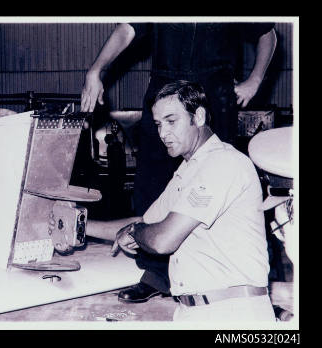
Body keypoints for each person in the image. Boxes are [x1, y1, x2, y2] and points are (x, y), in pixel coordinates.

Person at [80, 22, 277, 303]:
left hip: (213, 92)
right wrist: (96, 69)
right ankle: (156, 275)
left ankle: (224, 272)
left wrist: (254, 80)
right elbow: (127, 30)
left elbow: (267, 34)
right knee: (150, 186)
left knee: (216, 179)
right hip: (165, 86)